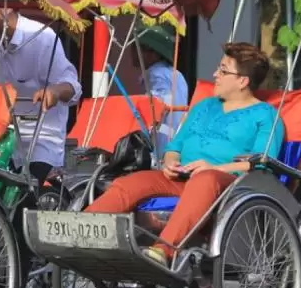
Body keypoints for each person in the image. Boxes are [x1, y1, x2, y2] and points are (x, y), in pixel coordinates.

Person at [85, 43, 283, 267]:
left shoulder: (265, 115)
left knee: (204, 179)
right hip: (181, 177)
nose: (215, 74)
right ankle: (81, 230)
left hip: (228, 186)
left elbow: (262, 163)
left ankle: (163, 250)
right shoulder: (205, 106)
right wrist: (171, 162)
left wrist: (212, 169)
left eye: (223, 70)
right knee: (130, 182)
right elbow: (175, 146)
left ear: (243, 81)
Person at [0, 8, 81, 184]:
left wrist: (54, 92)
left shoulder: (43, 36)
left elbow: (71, 85)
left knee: (26, 191)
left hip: (40, 135)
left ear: (7, 7)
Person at [133, 25, 189, 152]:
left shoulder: (155, 74)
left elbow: (154, 109)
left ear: (152, 52)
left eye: (137, 47)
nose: (133, 52)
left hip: (162, 146)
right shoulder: (177, 74)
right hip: (178, 142)